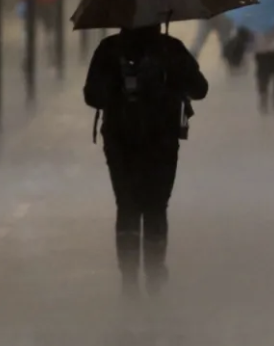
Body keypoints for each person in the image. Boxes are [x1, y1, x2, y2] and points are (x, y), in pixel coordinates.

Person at [83, 23, 208, 297]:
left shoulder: (108, 49)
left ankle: (129, 278)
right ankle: (154, 272)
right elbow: (200, 89)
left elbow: (91, 95)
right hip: (162, 141)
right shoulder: (171, 48)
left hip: (119, 141)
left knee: (126, 205)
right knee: (156, 206)